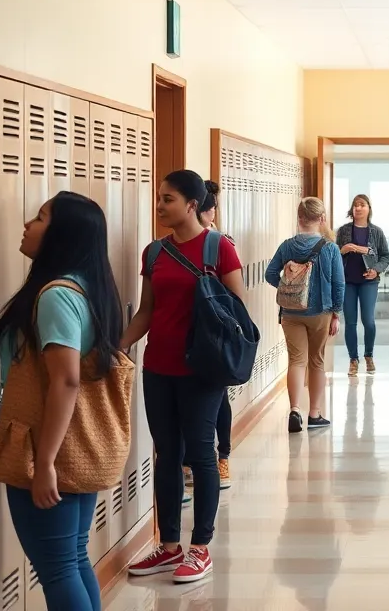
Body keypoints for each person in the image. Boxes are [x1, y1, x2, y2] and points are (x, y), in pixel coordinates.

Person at [0, 192, 124, 610]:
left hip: (50, 446)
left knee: (59, 569)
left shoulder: (55, 296)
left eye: (41, 218)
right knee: (71, 559)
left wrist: (43, 463)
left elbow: (65, 381)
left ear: (62, 234)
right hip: (76, 444)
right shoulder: (87, 287)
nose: (28, 224)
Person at [123, 170, 246, 584]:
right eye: (159, 198)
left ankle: (200, 549)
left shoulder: (219, 248)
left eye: (168, 199)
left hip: (202, 371)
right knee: (166, 453)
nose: (160, 205)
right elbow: (146, 312)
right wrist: (117, 346)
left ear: (192, 205)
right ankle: (169, 545)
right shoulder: (154, 253)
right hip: (158, 367)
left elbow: (236, 314)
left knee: (200, 452)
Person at [267, 196, 344, 433]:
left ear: (299, 218)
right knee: (317, 361)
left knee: (296, 361)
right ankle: (315, 414)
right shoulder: (329, 248)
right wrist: (336, 314)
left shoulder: (287, 246)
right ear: (321, 219)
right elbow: (339, 284)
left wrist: (289, 286)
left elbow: (271, 274)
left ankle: (294, 410)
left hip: (291, 312)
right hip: (320, 311)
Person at [182, 181, 234, 494]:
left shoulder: (220, 243)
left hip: (212, 336)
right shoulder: (169, 245)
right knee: (186, 405)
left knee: (219, 400)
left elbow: (233, 295)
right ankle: (187, 463)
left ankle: (222, 456)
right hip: (183, 335)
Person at [337, 194, 389, 377]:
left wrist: (376, 270)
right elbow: (334, 255)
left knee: (368, 320)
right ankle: (353, 359)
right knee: (350, 322)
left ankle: (369, 355)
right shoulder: (344, 231)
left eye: (362, 205)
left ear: (369, 208)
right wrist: (342, 250)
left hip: (369, 281)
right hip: (348, 282)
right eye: (355, 205)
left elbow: (385, 257)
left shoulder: (376, 232)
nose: (358, 208)